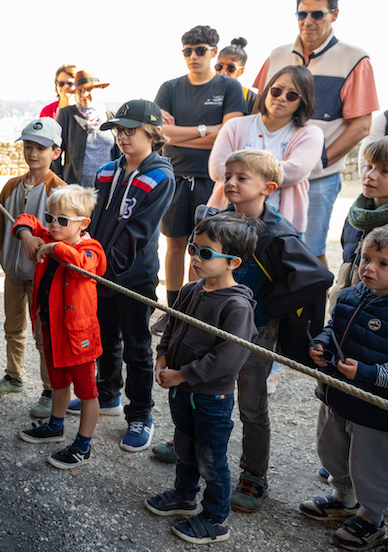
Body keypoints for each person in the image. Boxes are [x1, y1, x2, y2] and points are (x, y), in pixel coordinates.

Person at [153, 151, 333, 512]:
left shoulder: (279, 232)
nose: (231, 183)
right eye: (228, 176)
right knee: (195, 384)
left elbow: (318, 276)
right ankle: (186, 442)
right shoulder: (221, 220)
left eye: (241, 178)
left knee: (251, 405)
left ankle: (253, 474)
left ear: (268, 187)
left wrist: (266, 305)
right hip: (209, 321)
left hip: (253, 330)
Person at [68, 99, 174, 453]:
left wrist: (101, 266)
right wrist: (87, 256)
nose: (123, 137)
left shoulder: (161, 175)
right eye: (119, 130)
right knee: (105, 338)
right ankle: (109, 393)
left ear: (153, 133)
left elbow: (138, 231)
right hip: (99, 271)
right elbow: (94, 222)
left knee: (138, 347)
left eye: (131, 130)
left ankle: (141, 413)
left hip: (133, 276)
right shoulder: (105, 172)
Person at [146, 213, 257, 544]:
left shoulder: (237, 306)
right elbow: (172, 326)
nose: (194, 256)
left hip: (210, 398)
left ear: (233, 262)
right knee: (184, 445)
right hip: (180, 389)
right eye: (194, 248)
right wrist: (162, 357)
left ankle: (215, 519)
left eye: (206, 253)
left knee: (210, 457)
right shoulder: (191, 289)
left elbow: (228, 358)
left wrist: (182, 374)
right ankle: (184, 495)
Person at [254, 0, 380, 265]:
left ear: (334, 15)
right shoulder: (276, 56)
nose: (308, 21)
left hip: (318, 179)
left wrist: (318, 161)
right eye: (302, 14)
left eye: (317, 14)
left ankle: (314, 310)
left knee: (308, 253)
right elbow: (256, 109)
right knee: (263, 249)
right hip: (268, 176)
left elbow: (361, 126)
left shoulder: (354, 59)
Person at [301, 225, 388, 551]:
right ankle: (344, 498)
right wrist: (321, 346)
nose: (369, 268)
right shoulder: (348, 296)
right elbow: (331, 329)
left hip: (374, 412)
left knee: (369, 465)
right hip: (335, 396)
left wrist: (365, 371)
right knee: (332, 450)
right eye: (366, 258)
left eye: (383, 264)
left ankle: (372, 517)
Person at [155, 24, 247, 322]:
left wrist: (179, 132)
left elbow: (230, 133)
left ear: (213, 52)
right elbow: (159, 133)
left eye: (200, 50)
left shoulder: (229, 87)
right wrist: (207, 130)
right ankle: (173, 310)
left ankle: (201, 307)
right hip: (176, 175)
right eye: (187, 51)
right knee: (175, 244)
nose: (193, 56)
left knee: (209, 247)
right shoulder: (170, 87)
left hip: (215, 180)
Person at [12, 185, 107, 469]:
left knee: (87, 392)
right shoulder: (47, 234)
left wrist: (54, 247)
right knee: (58, 383)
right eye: (51, 217)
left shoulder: (90, 248)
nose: (53, 225)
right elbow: (24, 219)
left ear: (83, 223)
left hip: (79, 339)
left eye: (62, 220)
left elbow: (85, 264)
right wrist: (29, 236)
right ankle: (55, 426)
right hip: (51, 332)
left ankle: (83, 445)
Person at [0, 118, 66, 412]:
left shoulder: (59, 190)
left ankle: (50, 389)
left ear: (55, 153)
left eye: (41, 149)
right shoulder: (11, 186)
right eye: (29, 147)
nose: (33, 153)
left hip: (43, 277)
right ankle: (13, 375)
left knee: (44, 333)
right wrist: (2, 254)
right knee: (13, 326)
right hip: (13, 274)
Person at [207, 65, 324, 233]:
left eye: (292, 95)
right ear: (268, 91)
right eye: (277, 90)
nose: (281, 98)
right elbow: (218, 170)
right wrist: (268, 170)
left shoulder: (311, 134)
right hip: (227, 221)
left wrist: (239, 170)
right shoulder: (234, 125)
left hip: (282, 227)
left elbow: (294, 173)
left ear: (302, 101)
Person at [328, 137, 388, 307]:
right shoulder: (356, 214)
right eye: (369, 167)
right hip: (345, 305)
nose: (370, 176)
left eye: (385, 171)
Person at [50, 69, 118, 186]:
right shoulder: (67, 115)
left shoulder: (111, 117)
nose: (84, 94)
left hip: (108, 188)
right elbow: (54, 151)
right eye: (79, 91)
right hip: (76, 190)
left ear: (99, 89)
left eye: (89, 89)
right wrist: (60, 181)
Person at [216, 38, 258, 111]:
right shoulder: (204, 92)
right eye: (220, 66)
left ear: (241, 71)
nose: (223, 72)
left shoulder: (251, 99)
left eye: (231, 68)